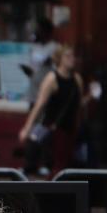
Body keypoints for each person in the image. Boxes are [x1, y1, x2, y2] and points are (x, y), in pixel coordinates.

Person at [19, 44, 85, 176]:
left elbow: (78, 106)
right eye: (68, 56)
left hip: (71, 131)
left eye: (73, 56)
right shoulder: (52, 78)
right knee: (56, 170)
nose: (72, 59)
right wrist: (27, 128)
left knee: (71, 168)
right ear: (59, 59)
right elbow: (39, 105)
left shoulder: (77, 79)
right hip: (55, 131)